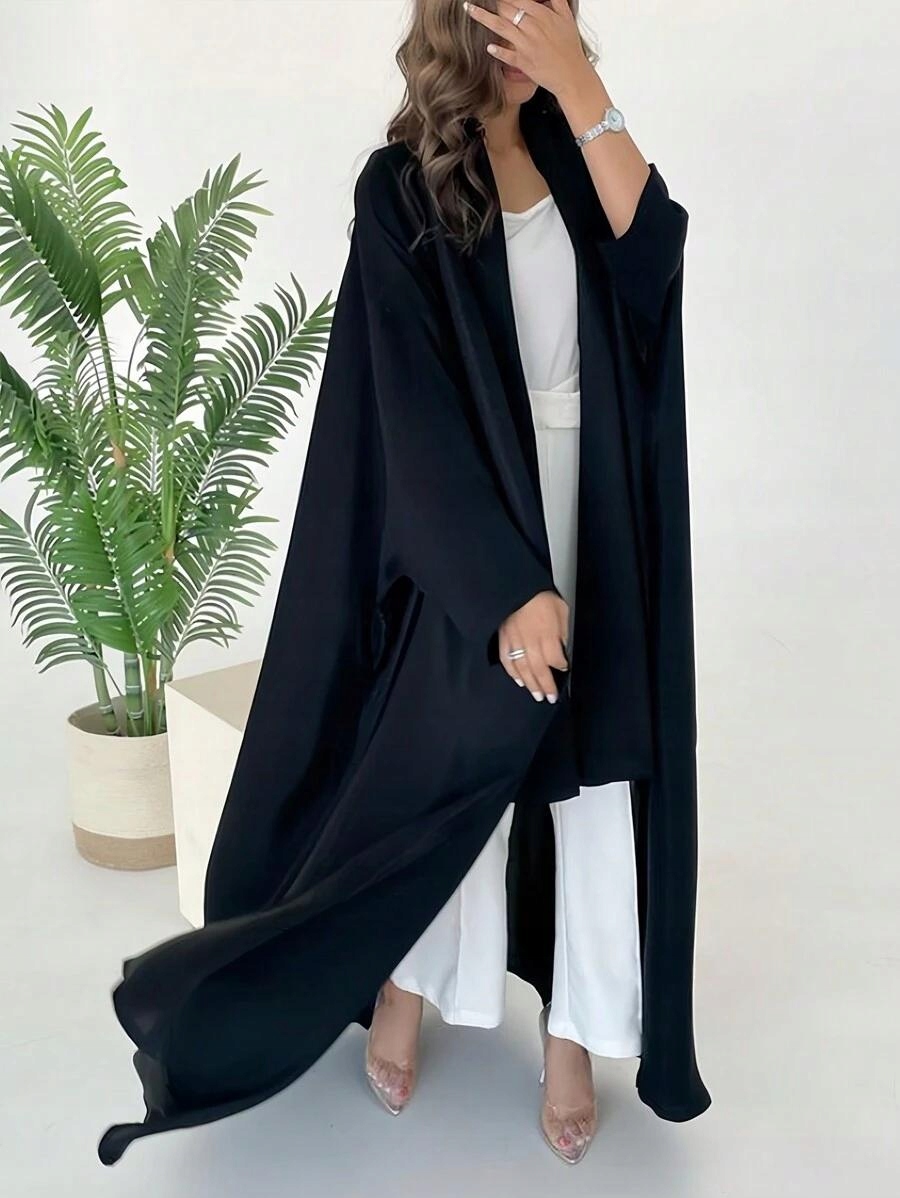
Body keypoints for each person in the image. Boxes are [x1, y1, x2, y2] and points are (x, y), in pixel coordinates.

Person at [98, 0, 710, 1170]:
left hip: (600, 518)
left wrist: (583, 88)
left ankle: (575, 1032)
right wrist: (503, 588)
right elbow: (410, 412)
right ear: (462, 23)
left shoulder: (580, 154)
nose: (535, 28)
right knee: (454, 768)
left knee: (593, 780)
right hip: (474, 535)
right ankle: (406, 981)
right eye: (513, 11)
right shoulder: (404, 189)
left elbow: (653, 262)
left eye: (553, 11)